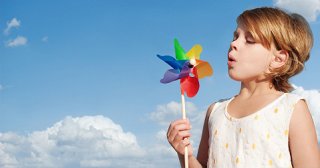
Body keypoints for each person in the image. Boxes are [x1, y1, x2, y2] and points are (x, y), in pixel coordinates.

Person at [167, 7, 320, 168]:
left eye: (250, 40)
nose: (233, 43)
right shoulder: (215, 111)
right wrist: (185, 156)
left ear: (277, 59)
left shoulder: (291, 108)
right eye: (235, 36)